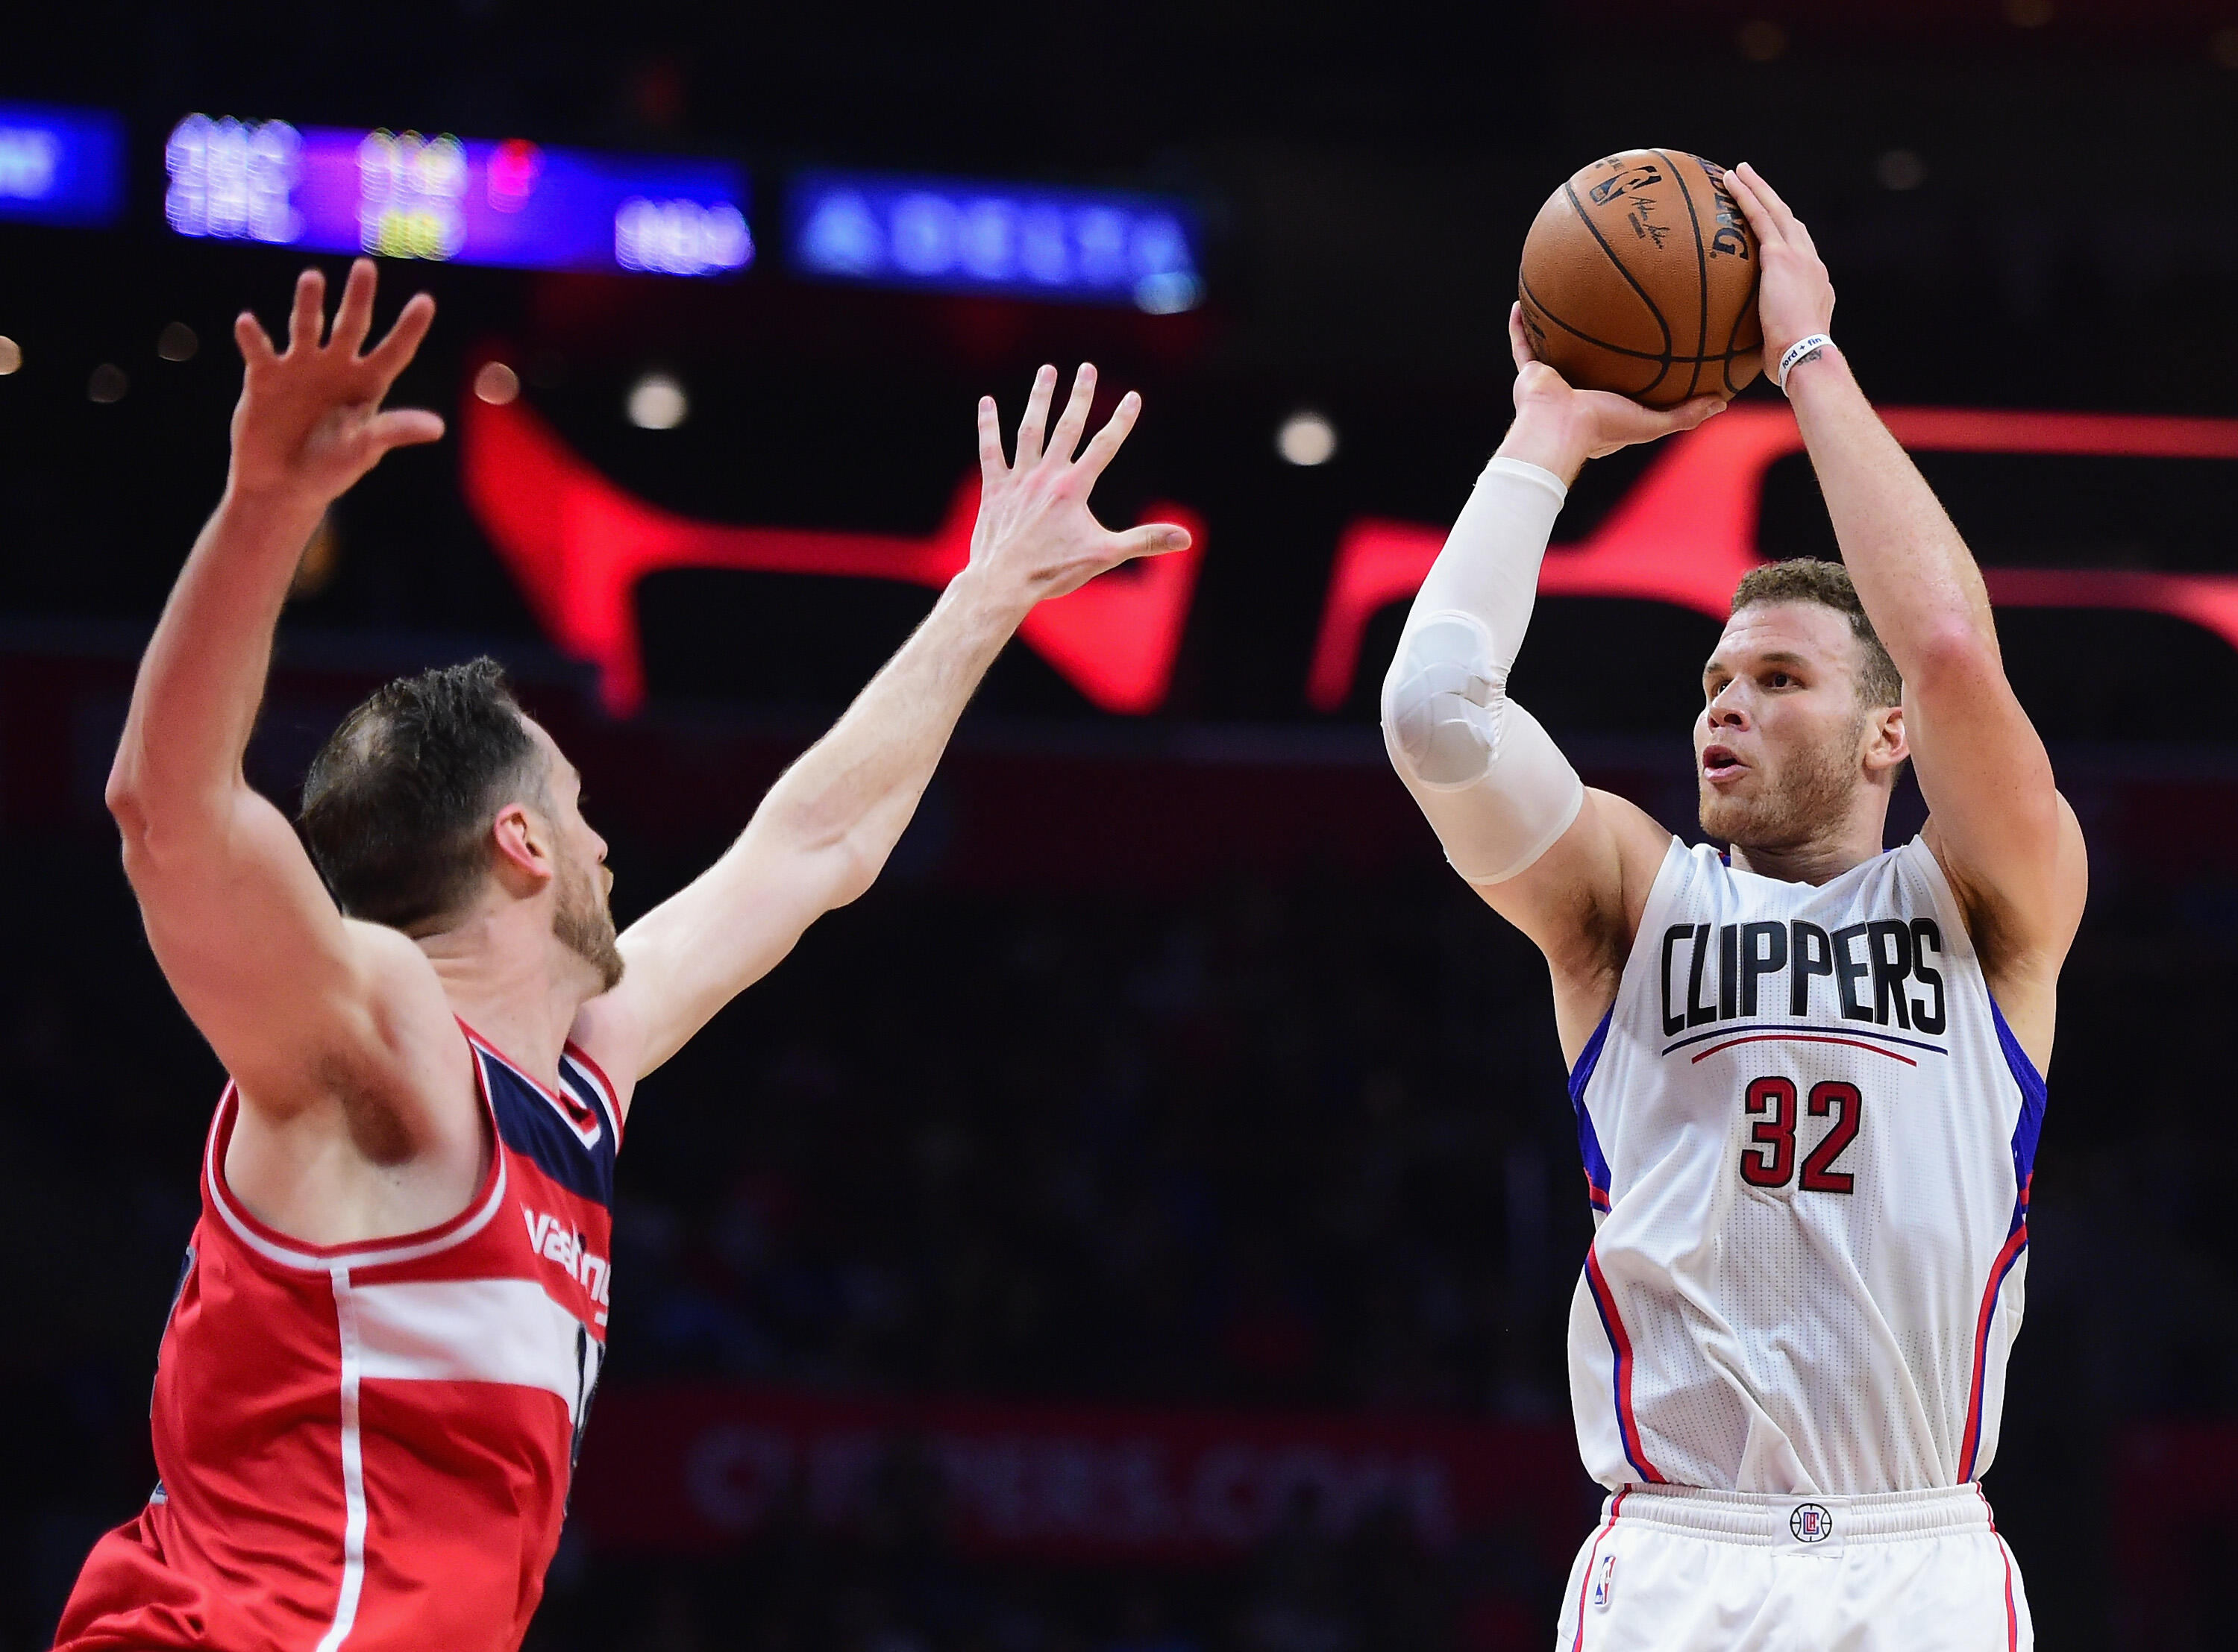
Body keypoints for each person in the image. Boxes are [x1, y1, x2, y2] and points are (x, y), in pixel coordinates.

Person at [56, 258, 1188, 1652]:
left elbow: (814, 847)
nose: (611, 853)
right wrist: (265, 512)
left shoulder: (580, 1076)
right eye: (586, 817)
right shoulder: (388, 1037)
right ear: (524, 846)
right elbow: (168, 817)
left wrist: (988, 596)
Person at [1379, 165, 2085, 1650]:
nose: (1725, 708)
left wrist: (1805, 356)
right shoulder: (1631, 898)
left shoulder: (1991, 901)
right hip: (1678, 1557)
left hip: (1923, 1559)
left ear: (1888, 734)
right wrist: (1545, 436)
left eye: (1777, 680)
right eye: (1713, 682)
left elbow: (1948, 643)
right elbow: (1437, 711)